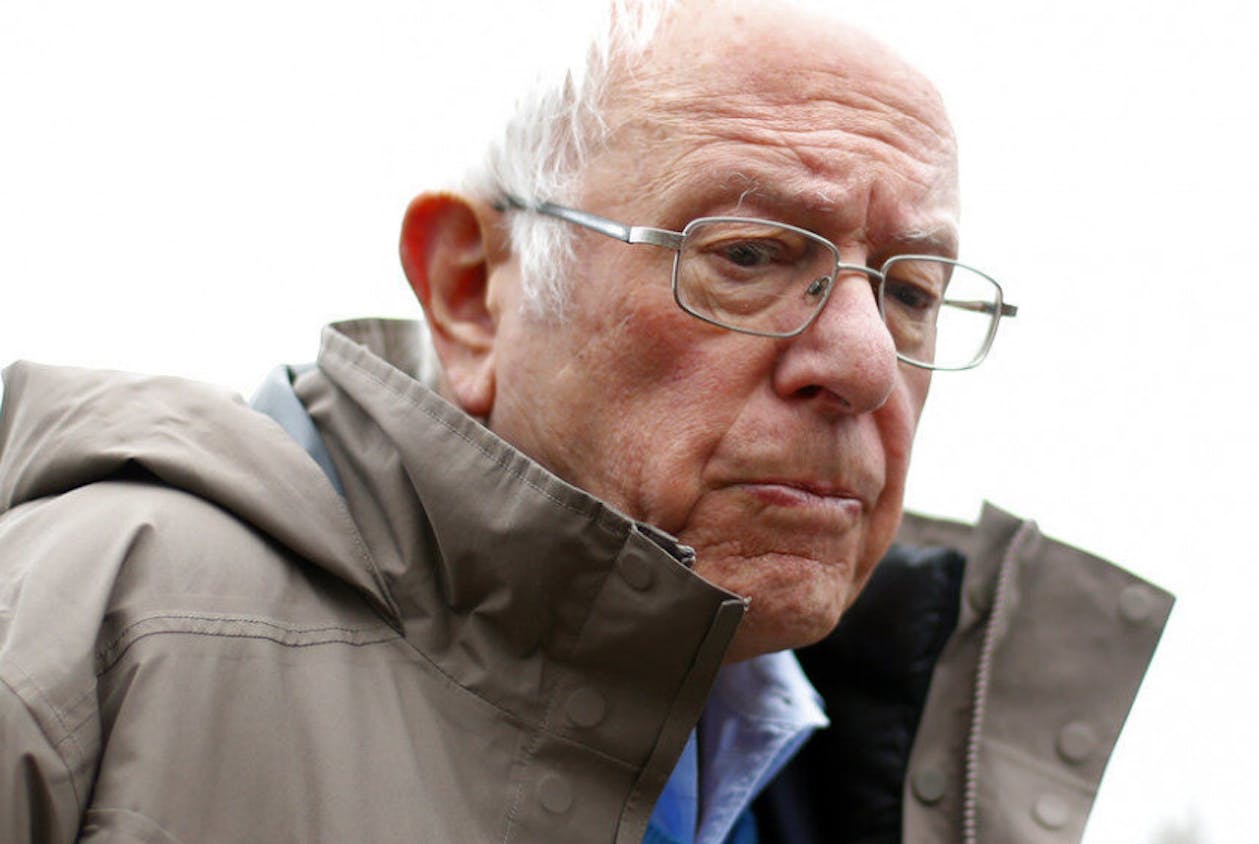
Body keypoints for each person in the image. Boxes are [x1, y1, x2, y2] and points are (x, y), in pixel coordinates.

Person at [0, 1, 1171, 841]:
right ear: (472, 292)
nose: (866, 360)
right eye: (751, 255)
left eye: (911, 289)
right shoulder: (100, 622)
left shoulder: (903, 768)